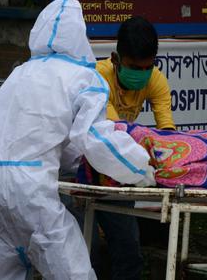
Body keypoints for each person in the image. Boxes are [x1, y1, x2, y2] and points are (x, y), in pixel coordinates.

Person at [0, 0, 156, 280]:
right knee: (73, 273)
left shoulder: (18, 74)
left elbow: (46, 136)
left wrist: (74, 165)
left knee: (3, 272)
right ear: (80, 36)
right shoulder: (83, 78)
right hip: (32, 188)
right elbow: (94, 138)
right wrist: (143, 170)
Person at [65, 16, 175, 280]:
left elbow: (167, 133)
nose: (140, 73)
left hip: (115, 173)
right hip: (76, 172)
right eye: (133, 67)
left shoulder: (156, 80)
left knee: (128, 253)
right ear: (115, 59)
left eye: (146, 68)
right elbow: (114, 132)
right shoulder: (97, 77)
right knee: (82, 255)